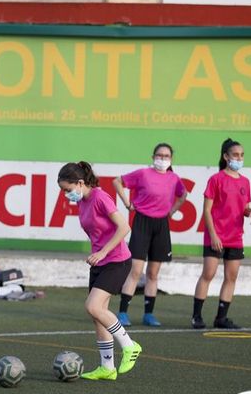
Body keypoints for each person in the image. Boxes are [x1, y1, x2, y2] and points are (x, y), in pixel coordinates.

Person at [57, 161, 142, 381]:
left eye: (67, 189)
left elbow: (125, 227)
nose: (66, 195)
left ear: (80, 183)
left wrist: (103, 252)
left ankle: (130, 346)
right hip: (99, 262)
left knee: (92, 306)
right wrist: (98, 254)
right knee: (97, 315)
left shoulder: (100, 197)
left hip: (116, 261)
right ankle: (107, 367)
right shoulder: (82, 202)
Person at [113, 143, 188, 327]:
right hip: (142, 223)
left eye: (166, 156)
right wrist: (127, 202)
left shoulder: (174, 178)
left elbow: (183, 194)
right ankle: (122, 312)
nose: (162, 159)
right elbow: (117, 181)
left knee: (153, 273)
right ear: (153, 156)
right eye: (159, 155)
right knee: (136, 271)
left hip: (161, 225)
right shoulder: (143, 174)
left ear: (171, 159)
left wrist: (172, 211)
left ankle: (149, 314)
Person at [191, 138, 251, 330]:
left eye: (242, 155)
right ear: (226, 157)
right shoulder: (216, 179)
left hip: (235, 237)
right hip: (216, 236)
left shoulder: (245, 181)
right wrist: (213, 236)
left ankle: (221, 318)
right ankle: (196, 316)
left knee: (231, 277)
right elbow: (207, 211)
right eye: (235, 155)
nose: (239, 158)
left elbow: (244, 207)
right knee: (208, 274)